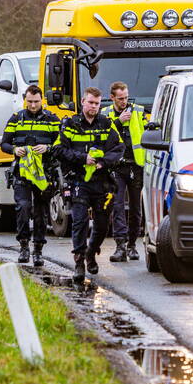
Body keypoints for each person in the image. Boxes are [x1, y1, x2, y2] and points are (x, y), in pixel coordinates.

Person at [54, 87, 122, 283]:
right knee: (79, 221)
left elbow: (119, 148)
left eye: (97, 104)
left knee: (102, 225)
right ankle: (79, 262)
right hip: (79, 180)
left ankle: (91, 252)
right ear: (83, 101)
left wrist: (103, 162)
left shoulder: (106, 124)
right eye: (91, 103)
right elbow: (58, 149)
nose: (94, 107)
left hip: (102, 182)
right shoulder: (70, 124)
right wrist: (83, 158)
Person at [0, 84, 60, 267]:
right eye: (29, 101)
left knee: (41, 213)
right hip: (22, 172)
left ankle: (38, 250)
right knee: (23, 207)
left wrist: (48, 148)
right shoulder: (16, 118)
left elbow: (62, 144)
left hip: (44, 173)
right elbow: (4, 144)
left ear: (42, 100)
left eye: (36, 101)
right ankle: (24, 246)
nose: (33, 105)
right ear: (25, 100)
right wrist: (15, 149)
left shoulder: (52, 119)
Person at [102, 81, 148, 262]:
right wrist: (118, 122)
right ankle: (120, 246)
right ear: (112, 98)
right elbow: (103, 133)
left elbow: (149, 131)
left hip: (136, 165)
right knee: (118, 206)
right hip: (116, 166)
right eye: (120, 98)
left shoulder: (138, 111)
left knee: (136, 208)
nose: (124, 101)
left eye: (126, 98)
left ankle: (132, 246)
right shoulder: (105, 114)